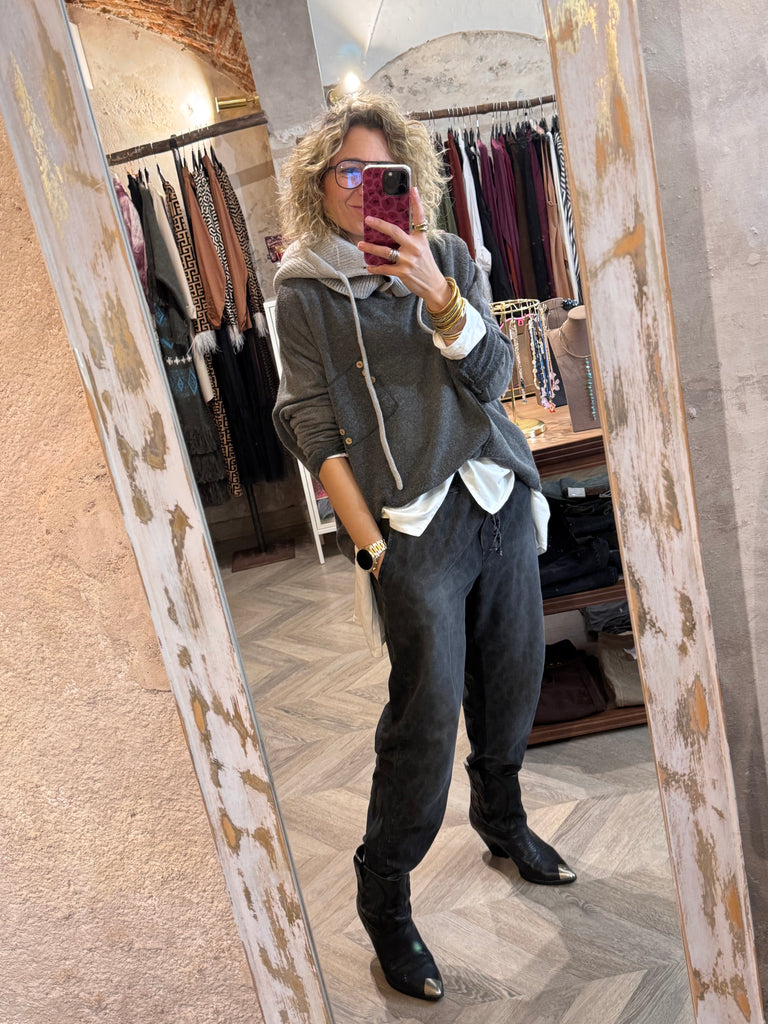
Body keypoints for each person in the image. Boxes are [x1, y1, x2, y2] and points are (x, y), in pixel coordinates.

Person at [272, 92, 576, 1003]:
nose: (364, 189)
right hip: (409, 527)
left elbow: (496, 377)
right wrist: (370, 550)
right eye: (348, 172)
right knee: (427, 712)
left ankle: (502, 817)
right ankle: (386, 892)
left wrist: (440, 298)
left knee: (515, 674)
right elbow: (309, 424)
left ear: (408, 178)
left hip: (493, 493)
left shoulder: (446, 256)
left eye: (383, 173)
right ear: (319, 183)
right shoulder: (303, 293)